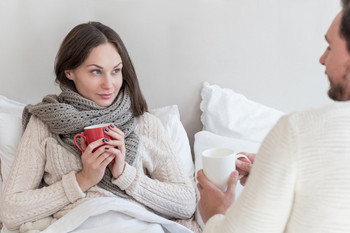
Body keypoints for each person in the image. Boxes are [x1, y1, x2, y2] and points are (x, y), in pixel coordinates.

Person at [1, 22, 197, 232]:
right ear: (69, 72)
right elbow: (11, 211)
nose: (109, 84)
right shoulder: (44, 124)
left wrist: (125, 175)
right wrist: (82, 180)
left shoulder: (145, 124)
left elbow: (185, 204)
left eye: (116, 71)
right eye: (96, 72)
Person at [197, 0, 350, 232]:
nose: (322, 58)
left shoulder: (298, 130)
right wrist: (273, 167)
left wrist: (216, 214)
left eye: (330, 47)